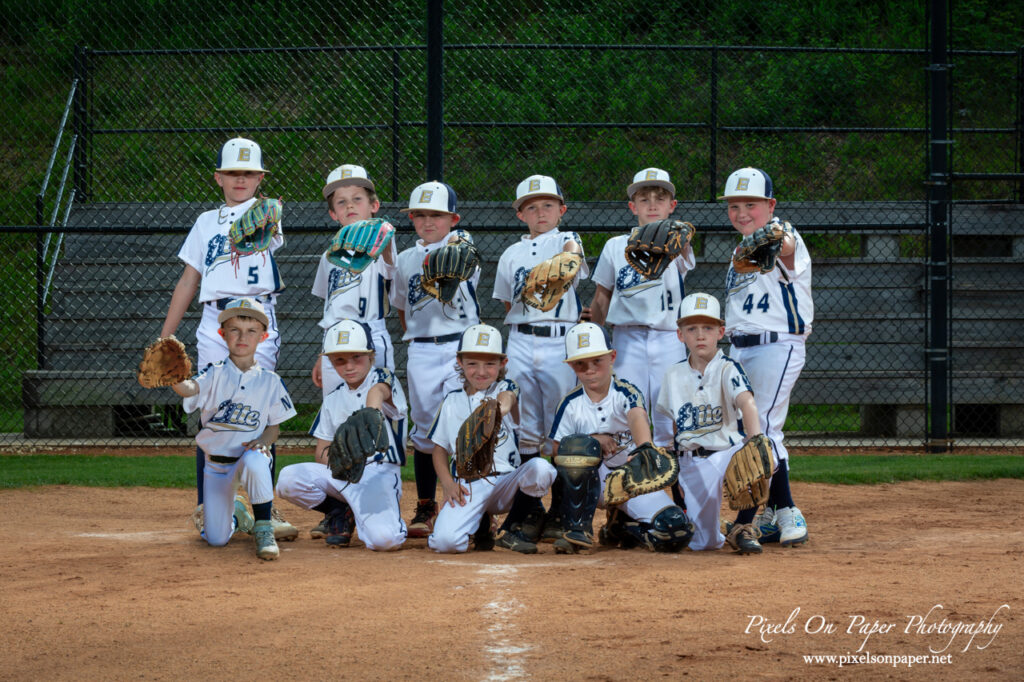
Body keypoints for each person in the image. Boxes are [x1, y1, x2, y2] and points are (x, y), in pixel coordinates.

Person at [159, 137, 297, 542]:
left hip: (257, 317)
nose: (241, 179)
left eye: (249, 172)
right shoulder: (205, 223)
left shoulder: (267, 214)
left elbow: (267, 228)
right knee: (211, 414)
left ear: (260, 178)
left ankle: (264, 507)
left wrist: (260, 212)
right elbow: (189, 279)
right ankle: (209, 505)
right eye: (233, 172)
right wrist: (166, 335)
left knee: (261, 411)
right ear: (218, 177)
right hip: (215, 320)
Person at [492, 174, 588, 543]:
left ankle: (563, 512)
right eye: (531, 206)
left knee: (562, 427)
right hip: (520, 338)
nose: (540, 211)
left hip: (559, 338)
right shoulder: (510, 254)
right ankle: (531, 510)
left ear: (561, 209)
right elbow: (506, 302)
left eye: (548, 204)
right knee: (524, 429)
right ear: (520, 215)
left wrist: (567, 252)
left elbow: (573, 255)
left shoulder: (568, 241)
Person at [720, 167, 811, 546]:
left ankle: (765, 514)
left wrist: (775, 234)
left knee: (764, 428)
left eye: (751, 205)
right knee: (751, 429)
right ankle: (775, 511)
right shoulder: (736, 253)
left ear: (770, 205)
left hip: (778, 345)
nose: (742, 212)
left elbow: (785, 244)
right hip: (741, 348)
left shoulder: (785, 237)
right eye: (734, 206)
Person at [307, 164, 397, 540]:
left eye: (358, 199)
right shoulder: (330, 256)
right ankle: (341, 508)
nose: (349, 207)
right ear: (332, 213)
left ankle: (381, 493)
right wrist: (321, 352)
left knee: (380, 418)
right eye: (341, 202)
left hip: (371, 337)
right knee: (339, 419)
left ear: (373, 204)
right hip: (335, 344)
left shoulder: (382, 245)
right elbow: (329, 307)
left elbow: (391, 258)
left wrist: (385, 232)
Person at [548, 322, 692, 554]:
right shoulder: (570, 403)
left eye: (597, 361)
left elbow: (637, 416)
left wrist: (644, 446)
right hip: (590, 485)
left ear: (612, 357)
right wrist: (593, 439)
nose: (590, 369)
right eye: (580, 364)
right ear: (571, 366)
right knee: (578, 446)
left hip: (630, 480)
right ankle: (577, 528)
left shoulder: (626, 391)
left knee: (675, 530)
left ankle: (624, 527)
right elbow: (556, 450)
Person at [171, 298, 297, 561]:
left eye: (251, 331)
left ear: (263, 336)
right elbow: (189, 389)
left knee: (257, 459)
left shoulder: (271, 381)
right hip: (217, 465)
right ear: (222, 334)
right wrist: (175, 378)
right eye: (235, 329)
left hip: (247, 458)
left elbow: (274, 428)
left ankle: (264, 528)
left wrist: (264, 439)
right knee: (216, 540)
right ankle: (237, 513)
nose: (242, 337)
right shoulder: (213, 373)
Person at [390, 180, 481, 538]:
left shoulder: (463, 246)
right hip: (422, 349)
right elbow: (401, 308)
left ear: (453, 218)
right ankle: (427, 505)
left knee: (466, 424)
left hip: (461, 347)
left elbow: (466, 256)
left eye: (437, 215)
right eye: (420, 215)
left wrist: (453, 243)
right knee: (426, 430)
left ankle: (473, 506)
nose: (429, 222)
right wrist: (416, 337)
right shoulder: (405, 259)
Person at [275, 320, 408, 551]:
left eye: (357, 357)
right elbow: (321, 452)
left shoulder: (383, 379)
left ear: (371, 355)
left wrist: (371, 411)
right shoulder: (333, 399)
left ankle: (380, 517)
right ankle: (339, 511)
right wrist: (344, 465)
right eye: (340, 360)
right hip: (345, 476)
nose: (349, 366)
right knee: (288, 479)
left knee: (385, 541)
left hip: (379, 474)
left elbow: (380, 390)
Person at [427, 324, 556, 554]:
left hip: (507, 483)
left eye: (490, 363)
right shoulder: (451, 401)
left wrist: (495, 410)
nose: (481, 371)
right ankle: (482, 525)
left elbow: (509, 399)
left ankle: (510, 529)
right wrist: (447, 483)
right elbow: (439, 449)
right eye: (472, 363)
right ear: (460, 362)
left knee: (541, 468)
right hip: (469, 486)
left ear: (503, 363)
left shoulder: (505, 387)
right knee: (445, 543)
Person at [654, 293, 767, 554]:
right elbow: (666, 422)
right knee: (703, 544)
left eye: (708, 328)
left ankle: (742, 527)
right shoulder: (673, 374)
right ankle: (720, 529)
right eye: (692, 329)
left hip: (725, 453)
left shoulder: (728, 368)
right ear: (680, 335)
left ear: (721, 332)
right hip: (690, 462)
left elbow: (747, 403)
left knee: (758, 457)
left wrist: (756, 440)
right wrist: (669, 462)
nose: (700, 335)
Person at [588, 168, 694, 412]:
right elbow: (601, 297)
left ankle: (671, 450)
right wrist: (595, 337)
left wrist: (676, 234)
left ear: (672, 205)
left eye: (660, 199)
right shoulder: (615, 246)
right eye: (644, 199)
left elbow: (684, 247)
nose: (652, 205)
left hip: (668, 336)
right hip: (627, 337)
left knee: (670, 407)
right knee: (627, 406)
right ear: (633, 207)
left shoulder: (676, 243)